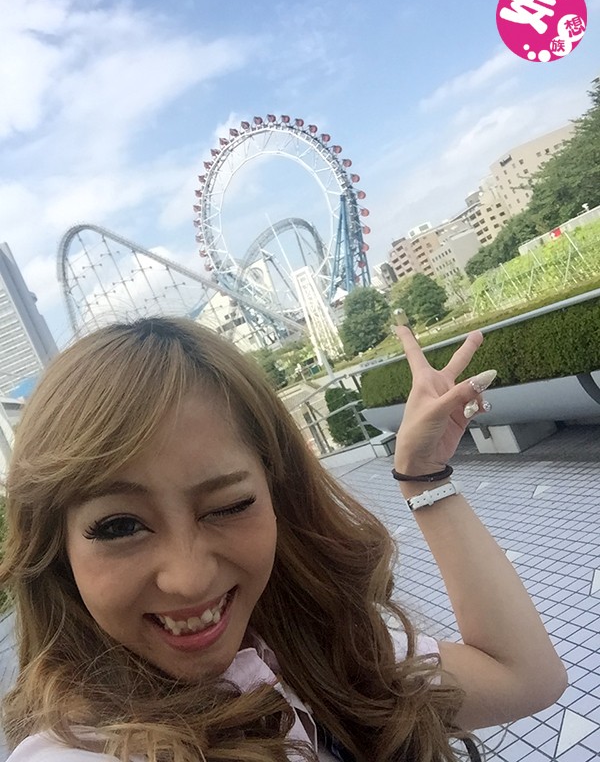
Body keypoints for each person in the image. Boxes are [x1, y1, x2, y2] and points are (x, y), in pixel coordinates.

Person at [0, 317, 566, 762]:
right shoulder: (77, 749)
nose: (189, 579)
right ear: (56, 549)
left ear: (278, 496)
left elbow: (525, 679)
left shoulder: (322, 653)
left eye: (228, 506)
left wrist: (424, 477)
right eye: (120, 526)